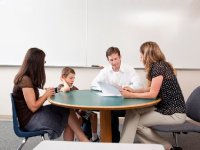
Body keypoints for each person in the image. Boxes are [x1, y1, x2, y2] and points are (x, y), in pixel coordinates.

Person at [119, 41, 186, 150]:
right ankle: (124, 145)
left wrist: (130, 95)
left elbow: (152, 94)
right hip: (166, 109)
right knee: (132, 112)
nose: (140, 58)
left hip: (174, 114)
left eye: (141, 54)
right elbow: (152, 88)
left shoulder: (158, 67)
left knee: (135, 123)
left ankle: (167, 147)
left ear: (147, 55)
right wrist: (133, 91)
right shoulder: (162, 65)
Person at [12, 48, 89, 141]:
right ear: (36, 63)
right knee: (67, 113)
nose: (44, 63)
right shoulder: (25, 80)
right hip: (30, 121)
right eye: (43, 61)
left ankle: (79, 140)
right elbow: (33, 107)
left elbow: (32, 102)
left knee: (67, 111)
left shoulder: (27, 78)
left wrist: (47, 94)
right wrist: (45, 95)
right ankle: (83, 139)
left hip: (34, 115)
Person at [91, 46, 142, 142]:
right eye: (111, 60)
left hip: (126, 103)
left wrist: (129, 88)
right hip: (111, 102)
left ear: (120, 57)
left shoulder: (129, 69)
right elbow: (93, 84)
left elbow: (139, 84)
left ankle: (115, 141)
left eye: (116, 59)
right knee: (109, 112)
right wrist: (104, 88)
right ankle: (113, 141)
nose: (114, 62)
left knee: (111, 112)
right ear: (108, 60)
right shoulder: (105, 70)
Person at [57, 67, 99, 142]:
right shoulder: (61, 87)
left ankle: (94, 138)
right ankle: (77, 138)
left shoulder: (75, 89)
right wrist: (63, 81)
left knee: (93, 115)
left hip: (78, 110)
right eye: (70, 78)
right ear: (63, 77)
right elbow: (66, 89)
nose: (73, 80)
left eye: (74, 78)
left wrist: (82, 109)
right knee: (78, 118)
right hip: (68, 113)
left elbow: (80, 101)